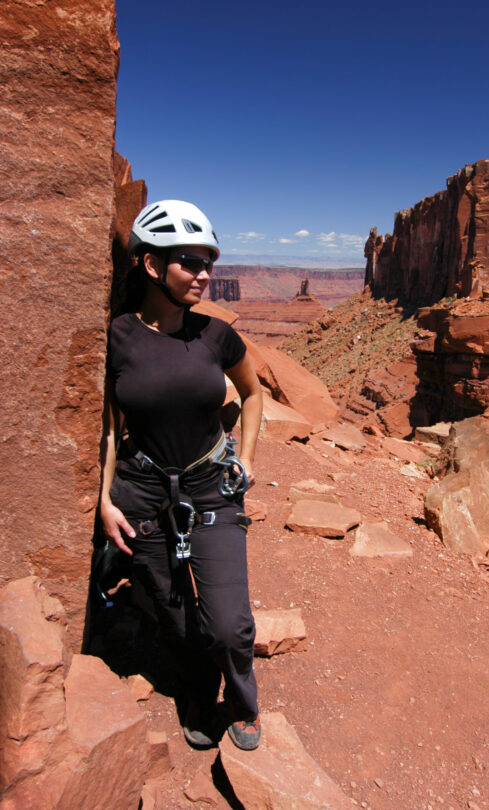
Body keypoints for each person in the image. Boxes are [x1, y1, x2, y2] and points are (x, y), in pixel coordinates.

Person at [99, 200, 263, 750]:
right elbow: (107, 428)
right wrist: (104, 500)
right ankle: (195, 690)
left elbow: (254, 392)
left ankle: (242, 701)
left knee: (228, 624)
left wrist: (248, 458)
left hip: (211, 486)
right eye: (190, 261)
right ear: (151, 265)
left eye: (209, 263)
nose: (204, 274)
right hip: (143, 494)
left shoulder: (216, 336)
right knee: (173, 615)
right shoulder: (118, 337)